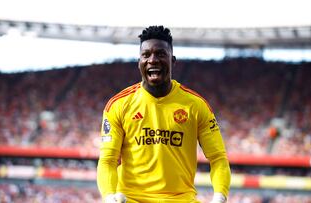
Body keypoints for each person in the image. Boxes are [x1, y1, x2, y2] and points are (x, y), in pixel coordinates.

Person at [97, 25, 231, 203]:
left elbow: (218, 158)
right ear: (139, 62)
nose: (153, 60)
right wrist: (108, 197)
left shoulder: (196, 105)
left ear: (172, 60)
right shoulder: (118, 105)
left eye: (160, 54)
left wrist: (219, 197)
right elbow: (107, 161)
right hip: (131, 199)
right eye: (146, 55)